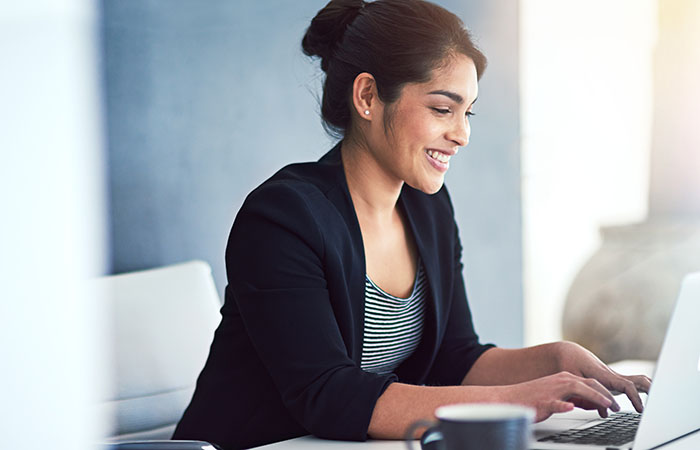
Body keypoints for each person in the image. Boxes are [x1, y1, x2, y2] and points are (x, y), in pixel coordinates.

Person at [172, 0, 651, 448]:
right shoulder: (281, 219)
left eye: (467, 112)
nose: (461, 134)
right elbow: (327, 395)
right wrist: (519, 398)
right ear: (367, 96)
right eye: (442, 109)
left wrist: (558, 359)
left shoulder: (428, 209)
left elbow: (455, 359)